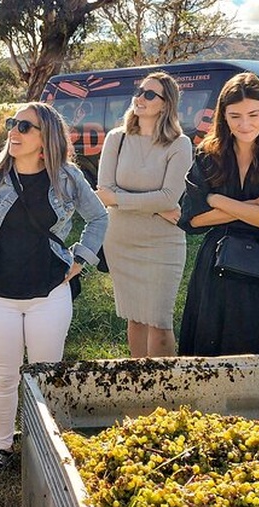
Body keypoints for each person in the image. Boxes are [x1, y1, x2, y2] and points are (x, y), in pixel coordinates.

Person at [0, 102, 107, 481]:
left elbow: (99, 216)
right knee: (3, 376)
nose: (13, 131)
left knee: (45, 375)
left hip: (48, 295)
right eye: (13, 123)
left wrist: (80, 258)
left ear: (45, 137)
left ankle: (45, 445)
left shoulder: (66, 178)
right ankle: (2, 447)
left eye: (25, 126)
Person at [178, 72, 259, 356]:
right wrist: (258, 201)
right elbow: (194, 219)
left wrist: (216, 199)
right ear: (223, 114)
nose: (245, 124)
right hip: (216, 265)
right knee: (209, 355)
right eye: (235, 116)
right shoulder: (208, 154)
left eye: (253, 114)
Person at [95, 72, 192, 358]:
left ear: (165, 104)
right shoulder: (117, 138)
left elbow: (169, 197)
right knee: (135, 318)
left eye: (150, 94)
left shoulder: (180, 144)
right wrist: (157, 207)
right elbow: (104, 191)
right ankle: (139, 386)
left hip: (163, 244)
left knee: (160, 322)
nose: (140, 98)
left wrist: (120, 200)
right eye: (139, 91)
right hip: (121, 241)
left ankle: (167, 394)